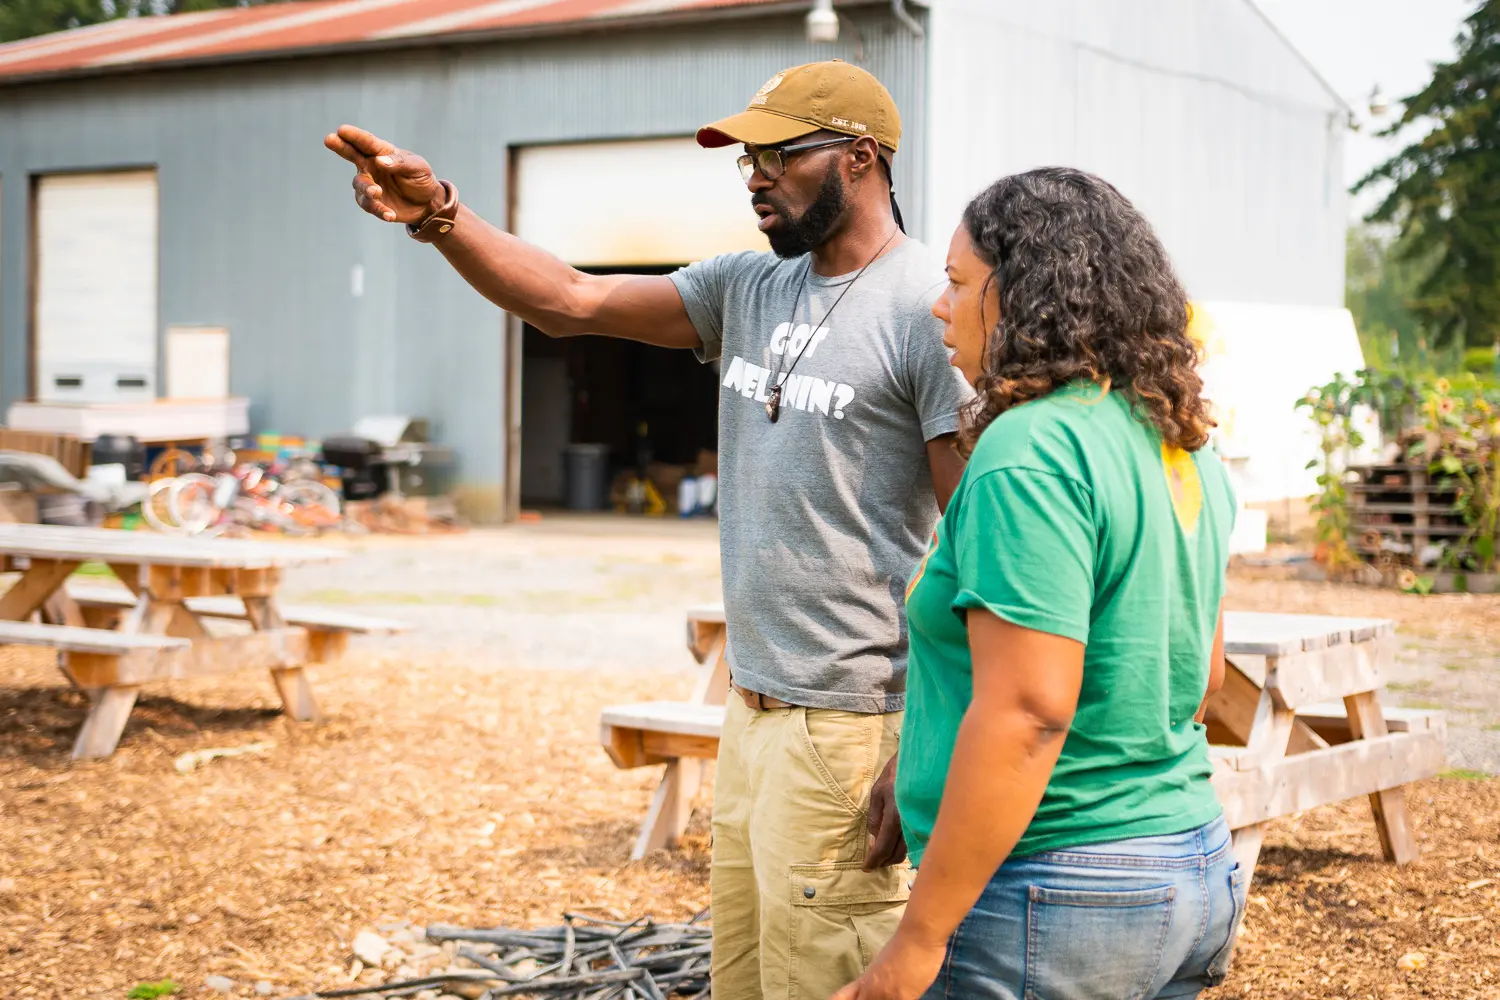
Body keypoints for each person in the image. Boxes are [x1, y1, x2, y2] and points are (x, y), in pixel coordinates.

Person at [325, 60, 972, 1000]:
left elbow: (975, 547)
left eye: (779, 155)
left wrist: (924, 744)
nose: (754, 175)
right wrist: (441, 217)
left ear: (861, 156)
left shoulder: (927, 308)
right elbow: (571, 300)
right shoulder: (747, 288)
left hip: (854, 726)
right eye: (746, 158)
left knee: (829, 980)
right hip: (752, 715)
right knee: (746, 983)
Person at [832, 167, 1245, 1000]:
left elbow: (1027, 715)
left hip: (1058, 896)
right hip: (1191, 866)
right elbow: (1201, 680)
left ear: (1024, 295)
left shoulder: (1030, 451)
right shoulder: (1182, 442)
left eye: (957, 284)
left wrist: (915, 942)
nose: (939, 307)